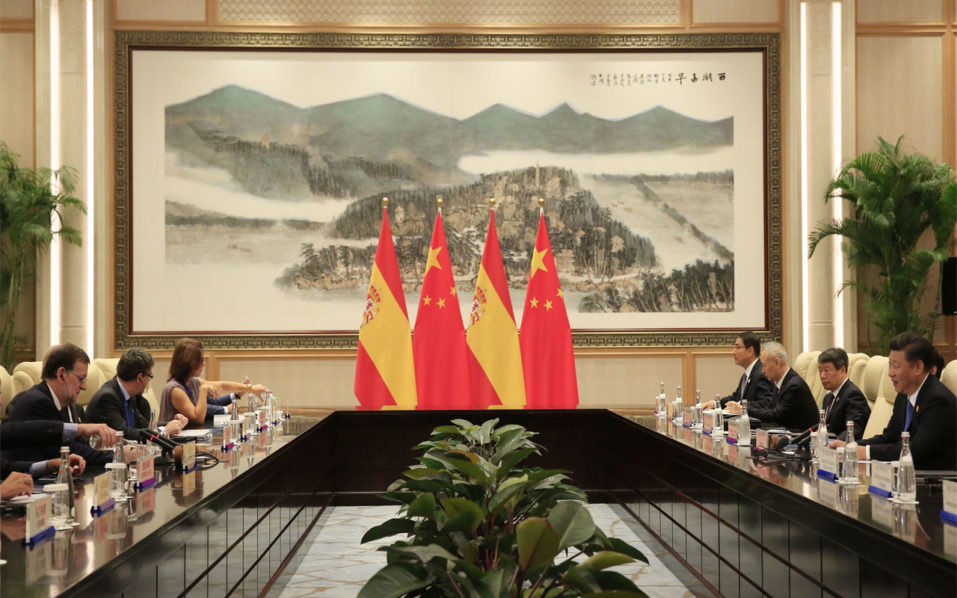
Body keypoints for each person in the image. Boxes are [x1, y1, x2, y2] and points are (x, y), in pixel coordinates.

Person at [832, 332, 956, 470]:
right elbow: (889, 438)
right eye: (890, 365)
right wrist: (851, 446)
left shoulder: (938, 400)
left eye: (896, 366)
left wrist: (863, 452)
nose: (890, 373)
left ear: (918, 367)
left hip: (933, 484)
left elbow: (914, 452)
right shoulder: (904, 395)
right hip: (904, 477)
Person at [6, 343, 115, 466]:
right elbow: (67, 451)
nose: (84, 386)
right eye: (81, 378)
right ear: (61, 374)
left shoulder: (70, 405)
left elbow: (83, 444)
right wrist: (118, 455)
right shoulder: (37, 403)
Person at [85, 348, 187, 442]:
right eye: (149, 376)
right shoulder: (107, 398)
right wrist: (164, 431)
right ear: (140, 378)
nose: (149, 381)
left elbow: (144, 426)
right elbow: (125, 434)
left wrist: (173, 423)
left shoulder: (130, 395)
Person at [159, 338, 266, 425]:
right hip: (175, 445)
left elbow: (222, 386)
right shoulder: (175, 389)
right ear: (190, 362)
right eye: (201, 360)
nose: (204, 364)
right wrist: (203, 389)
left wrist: (250, 389)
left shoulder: (192, 382)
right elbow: (197, 419)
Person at [726, 341, 818, 431]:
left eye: (764, 365)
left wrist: (744, 410)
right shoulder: (780, 382)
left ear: (777, 363)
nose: (762, 371)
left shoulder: (794, 385)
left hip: (801, 438)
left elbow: (775, 416)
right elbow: (768, 408)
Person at [701, 331, 774, 410]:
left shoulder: (761, 373)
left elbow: (766, 403)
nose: (733, 352)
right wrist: (715, 403)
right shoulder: (747, 375)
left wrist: (739, 406)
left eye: (738, 347)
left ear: (750, 351)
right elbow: (736, 398)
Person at [817, 348, 870, 440]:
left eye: (826, 370)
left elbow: (854, 431)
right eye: (820, 371)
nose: (822, 376)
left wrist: (833, 444)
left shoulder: (853, 395)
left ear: (842, 370)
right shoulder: (828, 397)